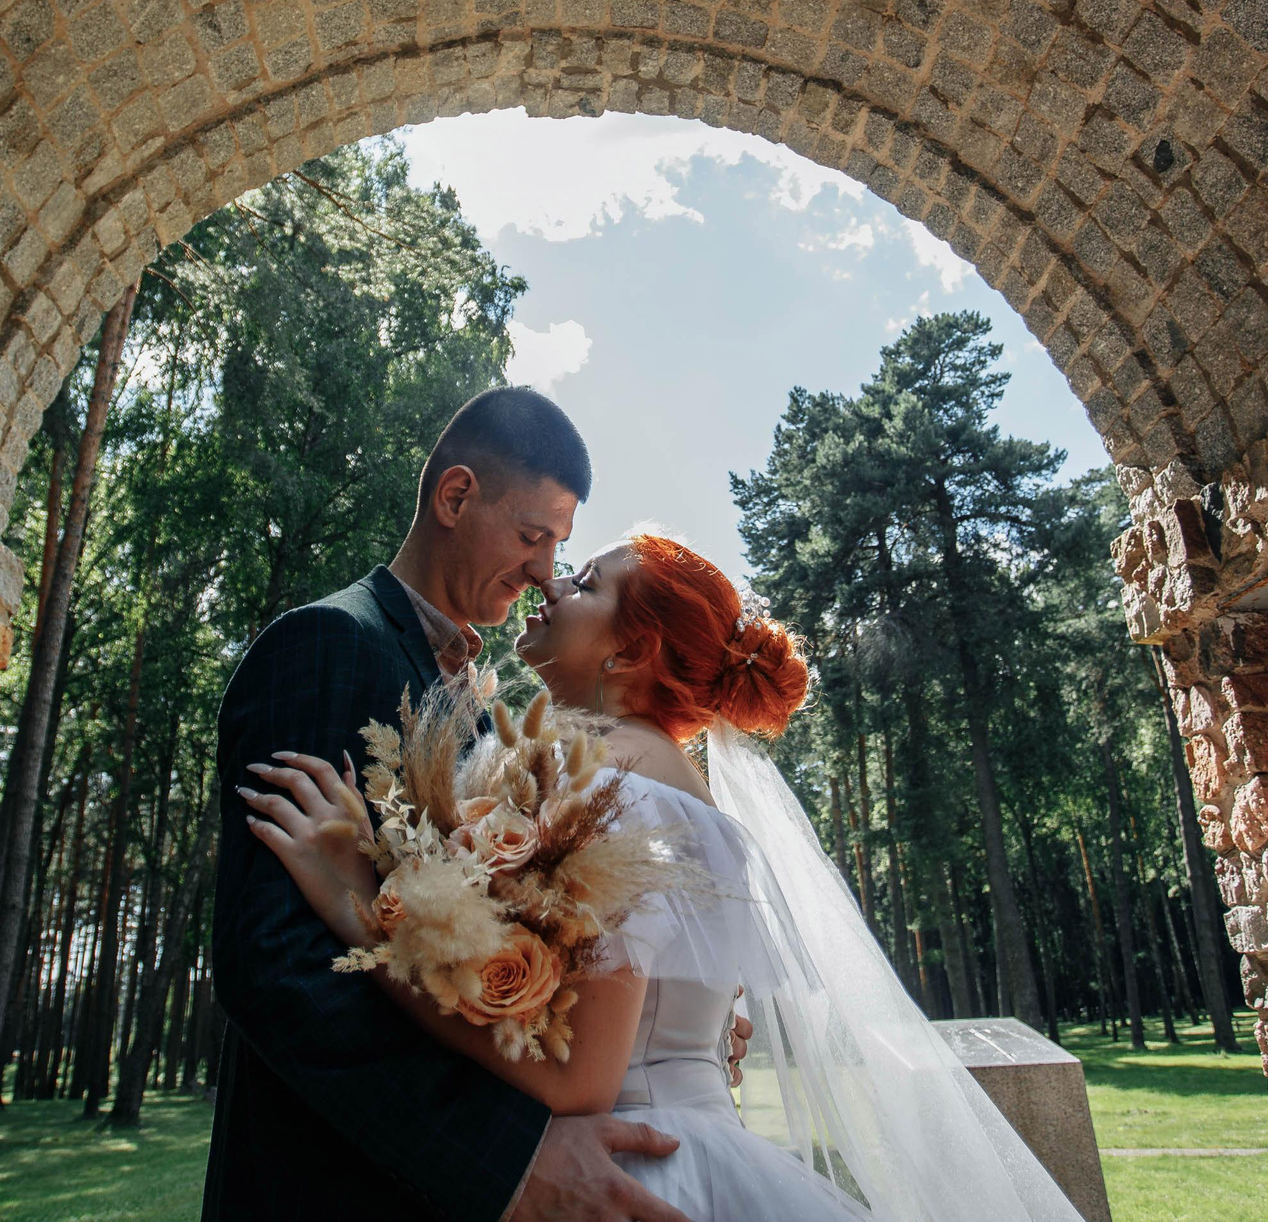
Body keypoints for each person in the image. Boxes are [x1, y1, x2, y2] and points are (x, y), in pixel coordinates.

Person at [241, 529, 1088, 1222]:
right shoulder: (669, 784)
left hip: (633, 1175)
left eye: (584, 580)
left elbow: (582, 1079)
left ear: (629, 650)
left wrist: (360, 906)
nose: (553, 586)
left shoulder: (601, 781)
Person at [204, 387, 712, 1222]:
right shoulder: (328, 644)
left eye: (561, 547)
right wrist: (509, 1157)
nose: (546, 569)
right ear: (455, 496)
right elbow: (273, 966)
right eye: (532, 535)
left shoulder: (486, 717)